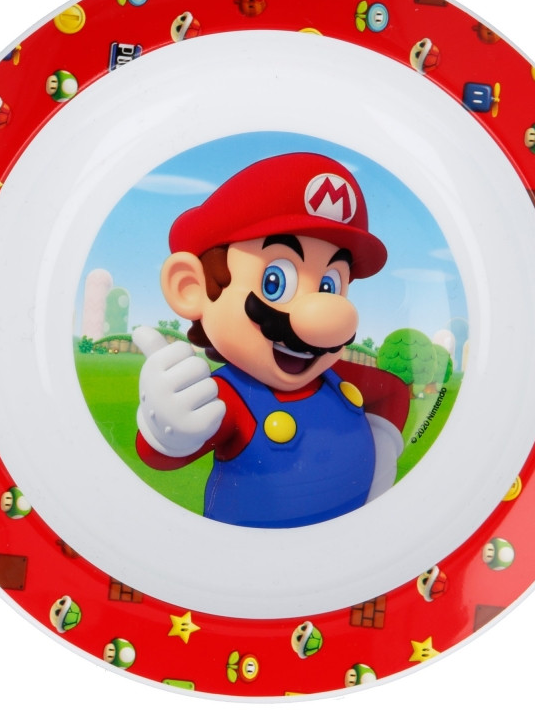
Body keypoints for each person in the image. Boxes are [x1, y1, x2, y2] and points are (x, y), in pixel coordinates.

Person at [134, 152, 409, 528]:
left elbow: (393, 392)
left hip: (350, 548)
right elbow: (163, 457)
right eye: (276, 282)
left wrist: (381, 451)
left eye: (330, 285)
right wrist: (167, 428)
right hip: (248, 556)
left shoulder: (338, 380)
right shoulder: (231, 398)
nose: (323, 317)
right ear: (191, 287)